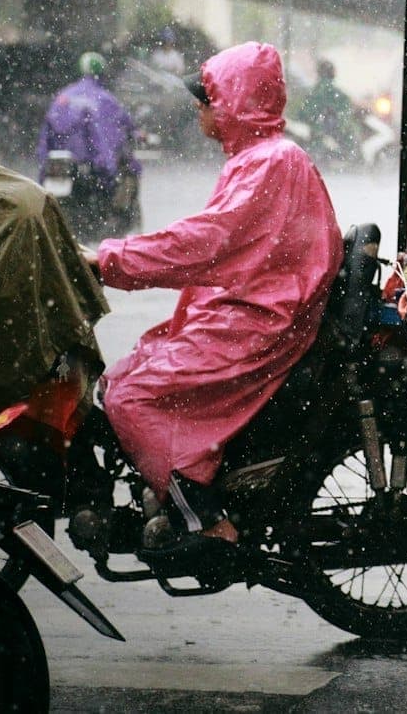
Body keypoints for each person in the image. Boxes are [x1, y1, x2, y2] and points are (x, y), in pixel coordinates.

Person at [90, 42, 341, 565]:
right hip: (242, 311)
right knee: (119, 378)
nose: (199, 110)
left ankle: (204, 520)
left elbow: (204, 243)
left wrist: (113, 262)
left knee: (131, 396)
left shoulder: (270, 164)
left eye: (206, 99)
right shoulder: (260, 159)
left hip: (259, 321)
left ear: (234, 103)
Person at [37, 51, 142, 206]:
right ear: (102, 72)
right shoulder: (105, 99)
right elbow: (122, 127)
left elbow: (47, 132)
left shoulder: (64, 96)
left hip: (60, 163)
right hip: (94, 168)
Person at [295, 58, 361, 160]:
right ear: (332, 73)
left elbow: (302, 114)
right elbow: (345, 113)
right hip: (331, 135)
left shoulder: (313, 92)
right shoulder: (335, 92)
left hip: (314, 136)